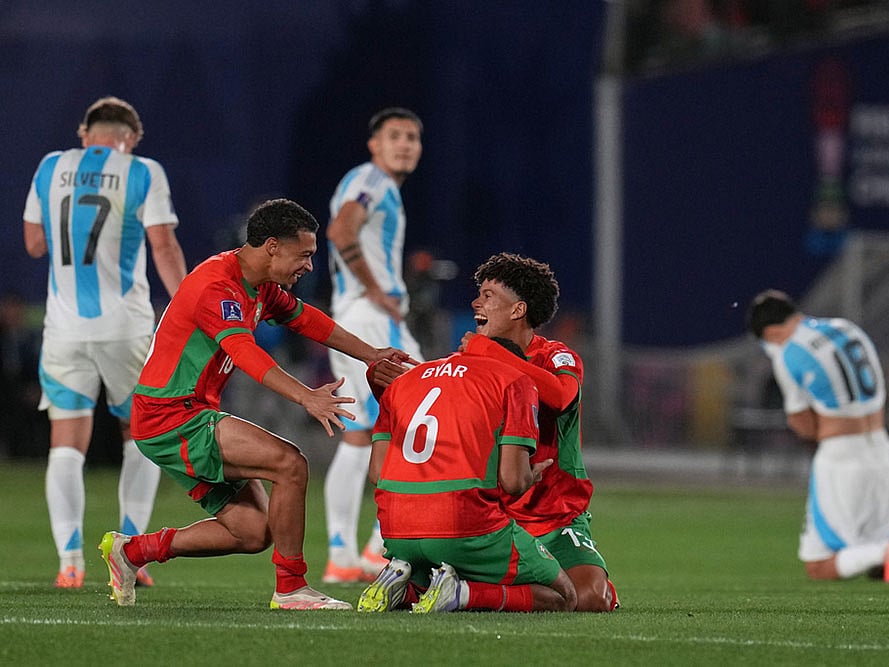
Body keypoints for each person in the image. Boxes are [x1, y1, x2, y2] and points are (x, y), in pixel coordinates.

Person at [97, 198, 413, 610]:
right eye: (305, 255)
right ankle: (292, 588)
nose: (309, 266)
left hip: (187, 414)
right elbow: (245, 353)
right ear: (272, 247)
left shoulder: (260, 285)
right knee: (290, 464)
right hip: (170, 416)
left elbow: (308, 320)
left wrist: (371, 354)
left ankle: (132, 552)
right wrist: (307, 396)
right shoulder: (217, 285)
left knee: (251, 532)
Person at [22, 96, 188, 589]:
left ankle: (69, 561)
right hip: (126, 328)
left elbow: (33, 245)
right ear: (131, 139)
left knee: (66, 445)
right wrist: (187, 306)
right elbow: (163, 244)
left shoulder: (51, 166)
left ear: (84, 133)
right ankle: (130, 556)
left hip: (65, 329)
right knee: (140, 435)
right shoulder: (142, 171)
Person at [746, 289, 889, 583]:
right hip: (881, 448)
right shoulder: (846, 328)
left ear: (773, 331)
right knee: (881, 569)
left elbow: (803, 424)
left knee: (818, 565)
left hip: (841, 456)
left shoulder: (788, 353)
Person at [356, 338, 577, 613]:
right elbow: (513, 481)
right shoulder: (514, 379)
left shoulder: (405, 380)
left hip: (396, 530)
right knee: (564, 596)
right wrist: (530, 476)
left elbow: (377, 473)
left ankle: (405, 587)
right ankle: (463, 594)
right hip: (461, 521)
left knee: (439, 570)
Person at [459, 253, 618, 612]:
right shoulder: (470, 361)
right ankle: (461, 590)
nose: (476, 303)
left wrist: (485, 351)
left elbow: (561, 397)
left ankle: (470, 592)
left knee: (591, 599)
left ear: (518, 310)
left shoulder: (558, 356)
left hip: (554, 513)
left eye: (488, 295)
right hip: (491, 512)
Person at [322, 107, 426, 584]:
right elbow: (342, 229)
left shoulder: (369, 181)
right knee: (428, 416)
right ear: (374, 144)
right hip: (371, 321)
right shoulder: (372, 181)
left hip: (359, 320)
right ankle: (374, 548)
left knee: (363, 434)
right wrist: (376, 289)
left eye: (412, 137)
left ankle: (350, 555)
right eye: (395, 136)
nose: (405, 144)